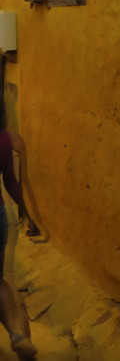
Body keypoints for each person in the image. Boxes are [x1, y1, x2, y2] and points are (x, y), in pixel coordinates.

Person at [0, 128, 37, 359]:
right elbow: (11, 181)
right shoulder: (4, 138)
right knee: (3, 279)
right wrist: (27, 214)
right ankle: (18, 333)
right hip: (1, 214)